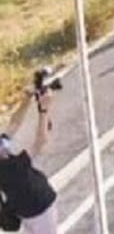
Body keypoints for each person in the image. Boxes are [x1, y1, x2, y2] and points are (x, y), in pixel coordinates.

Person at [0, 89, 57, 233]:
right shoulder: (15, 167)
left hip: (23, 211)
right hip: (40, 207)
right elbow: (41, 140)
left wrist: (26, 100)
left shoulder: (4, 156)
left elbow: (14, 124)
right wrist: (43, 109)